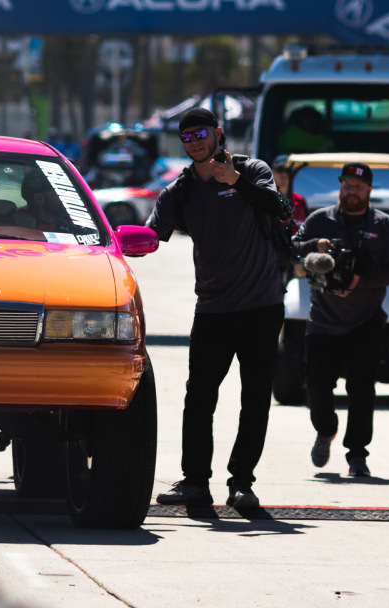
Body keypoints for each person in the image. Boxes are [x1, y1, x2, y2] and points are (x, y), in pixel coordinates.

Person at [148, 107, 287, 510]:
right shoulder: (181, 191)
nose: (195, 142)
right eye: (187, 137)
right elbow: (151, 235)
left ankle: (241, 482)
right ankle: (195, 482)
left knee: (256, 398)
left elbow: (276, 207)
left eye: (201, 134)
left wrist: (236, 182)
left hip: (262, 306)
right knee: (199, 398)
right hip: (213, 309)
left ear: (218, 133)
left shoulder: (252, 169)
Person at [292, 163, 389, 477]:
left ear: (369, 190)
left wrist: (359, 281)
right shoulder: (319, 220)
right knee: (316, 385)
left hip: (365, 320)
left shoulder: (383, 225)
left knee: (362, 390)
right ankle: (326, 430)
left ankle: (357, 454)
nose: (351, 190)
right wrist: (316, 247)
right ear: (339, 186)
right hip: (323, 319)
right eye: (346, 184)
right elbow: (291, 249)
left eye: (358, 185)